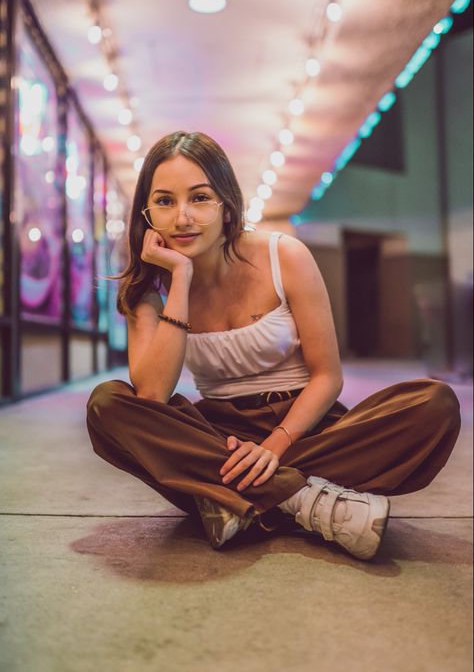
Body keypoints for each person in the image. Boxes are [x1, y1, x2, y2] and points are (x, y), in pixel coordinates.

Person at [86, 130, 461, 561]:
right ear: (147, 212)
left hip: (305, 427)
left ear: (227, 205)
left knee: (434, 403)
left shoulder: (286, 256)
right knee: (107, 404)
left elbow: (327, 376)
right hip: (216, 438)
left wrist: (275, 447)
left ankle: (231, 502)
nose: (182, 217)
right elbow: (150, 394)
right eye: (165, 201)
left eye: (200, 198)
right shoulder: (149, 290)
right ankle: (308, 501)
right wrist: (181, 281)